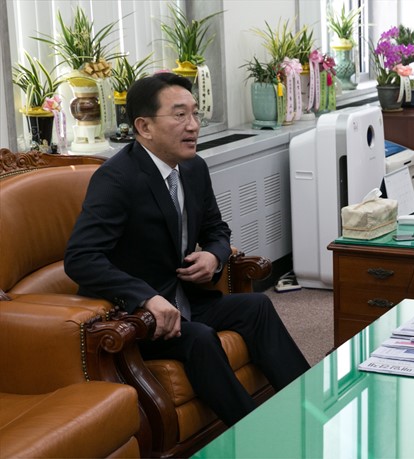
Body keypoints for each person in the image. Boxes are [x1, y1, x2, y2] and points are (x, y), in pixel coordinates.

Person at [65, 72, 310, 426]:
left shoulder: (193, 168)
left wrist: (214, 255)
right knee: (200, 338)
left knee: (256, 306)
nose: (193, 125)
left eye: (195, 114)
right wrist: (145, 298)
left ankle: (308, 407)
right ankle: (253, 433)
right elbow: (81, 258)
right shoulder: (117, 179)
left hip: (185, 298)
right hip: (139, 316)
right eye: (180, 115)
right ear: (144, 126)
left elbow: (217, 230)